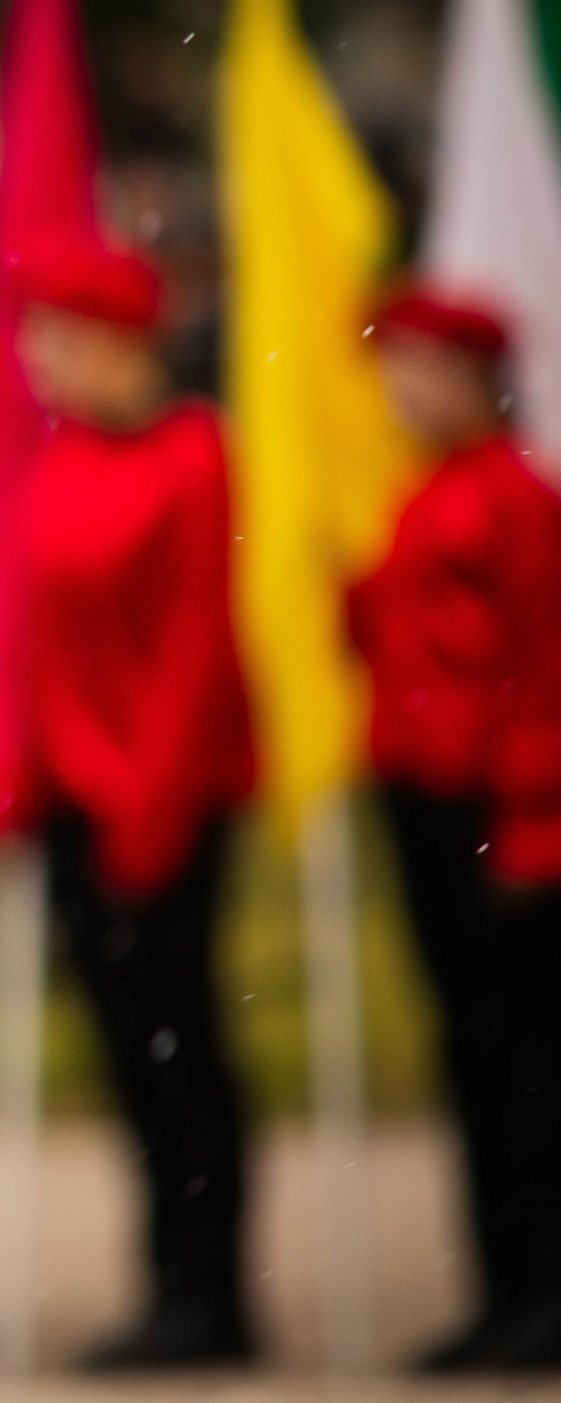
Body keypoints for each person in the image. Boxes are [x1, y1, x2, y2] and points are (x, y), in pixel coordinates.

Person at [12, 235, 256, 1368]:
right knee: (126, 1050)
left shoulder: (191, 456)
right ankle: (168, 1278)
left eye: (58, 335)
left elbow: (195, 650)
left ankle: (209, 1287)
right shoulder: (59, 460)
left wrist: (145, 805)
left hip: (162, 804)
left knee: (179, 1046)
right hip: (76, 799)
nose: (38, 359)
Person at [346, 286, 561, 1370]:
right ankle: (503, 1280)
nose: (405, 389)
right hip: (426, 798)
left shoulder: (514, 497)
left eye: (426, 367)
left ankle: (541, 1285)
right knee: (473, 1051)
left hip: (501, 810)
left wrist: (529, 821)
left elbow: (536, 670)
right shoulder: (421, 493)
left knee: (523, 1055)